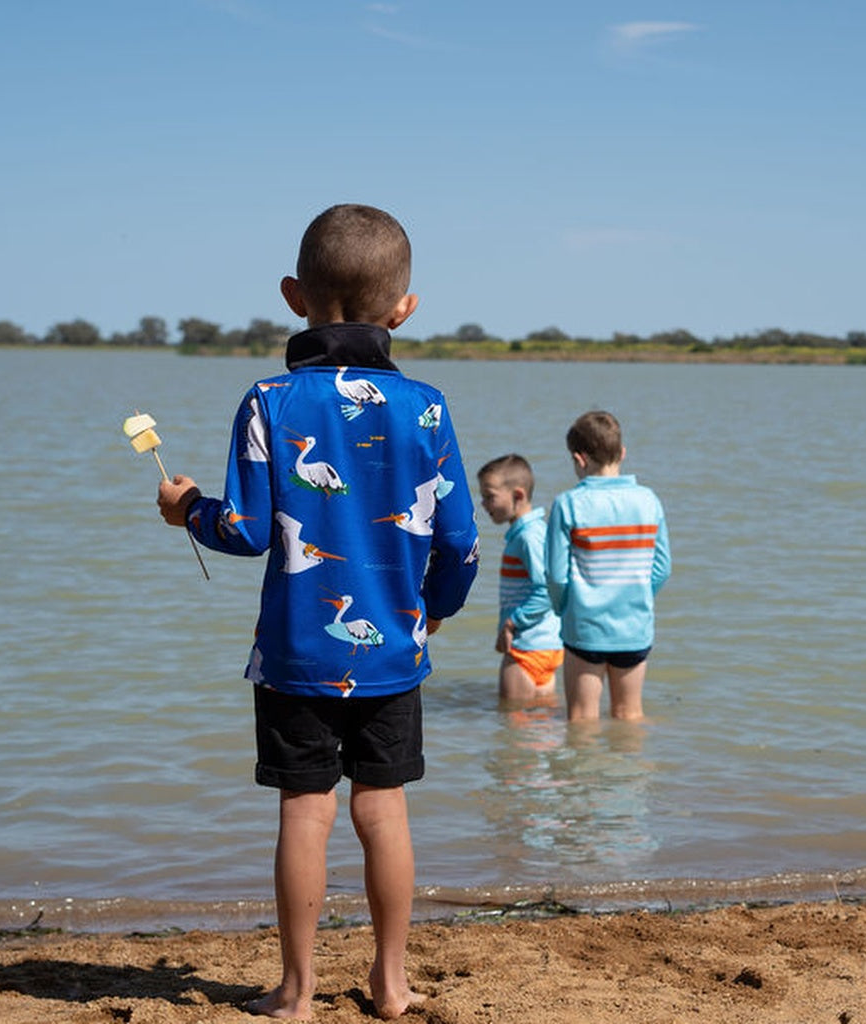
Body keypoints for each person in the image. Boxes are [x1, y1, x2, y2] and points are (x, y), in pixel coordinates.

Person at [157, 204, 479, 1020]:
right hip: (392, 656)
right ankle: (392, 982)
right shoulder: (428, 408)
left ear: (295, 296)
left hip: (296, 655)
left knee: (306, 810)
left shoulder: (269, 401)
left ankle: (297, 991)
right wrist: (433, 609)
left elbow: (247, 530)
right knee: (383, 806)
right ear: (404, 310)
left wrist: (188, 506)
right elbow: (461, 540)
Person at [545, 411, 671, 722]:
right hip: (634, 627)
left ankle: (584, 772)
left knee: (581, 719)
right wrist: (638, 594)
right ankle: (631, 771)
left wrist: (564, 609)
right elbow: (662, 567)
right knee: (629, 716)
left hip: (585, 627)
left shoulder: (568, 503)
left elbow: (557, 575)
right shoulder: (648, 500)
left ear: (579, 459)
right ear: (622, 453)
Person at [476, 454, 563, 703]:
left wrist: (511, 624)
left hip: (527, 646)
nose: (483, 503)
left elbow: (547, 589)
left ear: (518, 495)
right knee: (541, 732)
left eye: (490, 496)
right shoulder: (534, 532)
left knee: (513, 727)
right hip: (547, 645)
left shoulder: (528, 538)